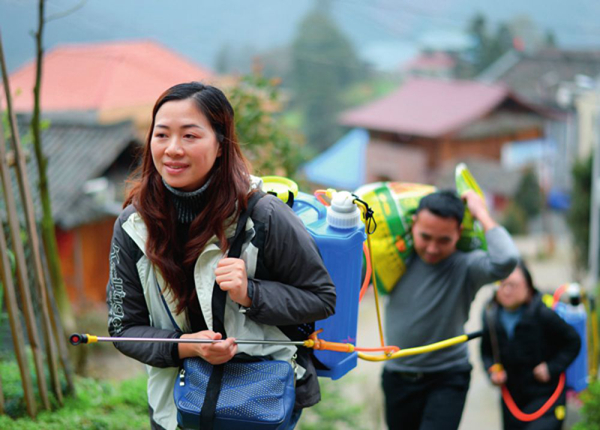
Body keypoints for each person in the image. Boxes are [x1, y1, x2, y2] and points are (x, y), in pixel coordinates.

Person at [106, 82, 336, 430]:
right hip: (176, 405)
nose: (172, 149)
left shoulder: (264, 216)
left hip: (262, 399)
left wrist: (250, 293)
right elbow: (124, 328)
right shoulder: (134, 225)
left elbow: (321, 298)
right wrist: (186, 346)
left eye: (190, 136)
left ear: (220, 146)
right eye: (162, 134)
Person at [381, 189, 519, 430]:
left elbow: (506, 259)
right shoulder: (394, 260)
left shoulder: (466, 267)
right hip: (397, 376)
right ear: (413, 225)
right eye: (426, 236)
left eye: (444, 240)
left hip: (447, 377)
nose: (433, 248)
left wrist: (481, 213)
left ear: (459, 233)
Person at [481, 260, 581, 430]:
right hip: (512, 400)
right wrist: (492, 371)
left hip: (546, 397)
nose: (506, 291)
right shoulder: (491, 316)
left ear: (528, 288)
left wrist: (551, 367)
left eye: (513, 285)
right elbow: (486, 352)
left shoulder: (543, 314)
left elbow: (573, 341)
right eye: (502, 284)